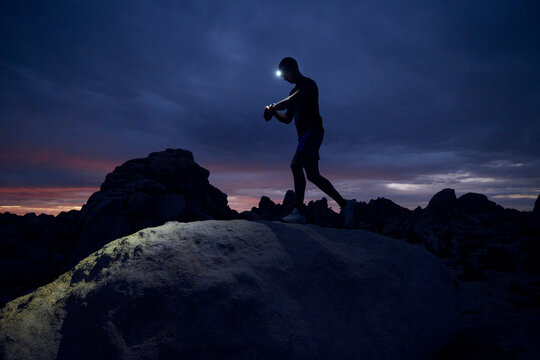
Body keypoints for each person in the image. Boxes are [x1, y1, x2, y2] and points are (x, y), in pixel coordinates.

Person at [264, 57, 356, 227]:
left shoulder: (309, 85)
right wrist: (274, 113)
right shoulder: (292, 92)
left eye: (284, 75)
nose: (284, 79)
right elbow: (287, 119)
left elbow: (290, 102)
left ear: (292, 69)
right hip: (305, 135)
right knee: (313, 175)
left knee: (295, 165)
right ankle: (345, 204)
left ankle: (299, 211)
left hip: (312, 132)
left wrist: (272, 107)